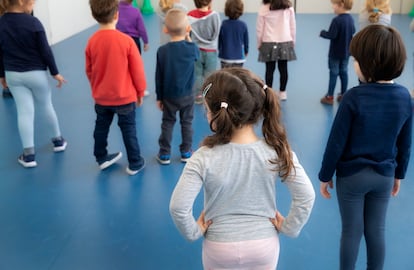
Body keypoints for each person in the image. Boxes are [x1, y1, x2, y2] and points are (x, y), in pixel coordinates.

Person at [170, 68, 315, 269]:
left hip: (219, 246)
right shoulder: (277, 151)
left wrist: (194, 231)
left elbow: (178, 207)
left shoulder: (202, 157)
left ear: (214, 113)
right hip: (263, 246)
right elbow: (306, 195)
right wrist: (290, 227)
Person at [319, 25, 412, 270]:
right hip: (384, 174)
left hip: (352, 177)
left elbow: (336, 142)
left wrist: (325, 175)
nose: (354, 64)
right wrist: (399, 173)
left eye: (356, 60)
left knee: (351, 232)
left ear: (368, 64)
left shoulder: (353, 98)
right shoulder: (405, 97)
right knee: (376, 230)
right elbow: (405, 141)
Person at [0, 0, 67, 168]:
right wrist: (55, 72)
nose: (35, 3)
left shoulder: (1, 23)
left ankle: (29, 155)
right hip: (36, 74)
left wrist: (2, 75)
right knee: (46, 106)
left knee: (24, 112)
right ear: (22, 2)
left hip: (13, 75)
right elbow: (45, 51)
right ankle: (58, 141)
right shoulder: (34, 22)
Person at [86, 0, 147, 175]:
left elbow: (89, 70)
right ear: (116, 15)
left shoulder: (91, 42)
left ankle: (101, 157)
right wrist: (140, 92)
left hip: (101, 98)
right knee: (129, 129)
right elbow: (137, 71)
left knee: (101, 127)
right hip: (125, 98)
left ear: (94, 16)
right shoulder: (126, 41)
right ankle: (135, 162)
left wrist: (96, 87)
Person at [155, 8, 199, 165]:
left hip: (168, 96)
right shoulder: (192, 48)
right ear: (188, 29)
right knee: (186, 122)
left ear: (165, 29)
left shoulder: (162, 51)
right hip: (187, 95)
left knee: (167, 122)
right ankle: (186, 151)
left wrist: (159, 97)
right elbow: (197, 55)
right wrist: (188, 37)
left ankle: (164, 153)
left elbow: (158, 77)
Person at [256, 0, 296, 101]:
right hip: (285, 41)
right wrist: (293, 40)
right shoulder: (288, 8)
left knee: (269, 70)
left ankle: (269, 93)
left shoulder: (264, 8)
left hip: (268, 42)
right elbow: (292, 26)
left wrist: (259, 43)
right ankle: (283, 92)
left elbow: (259, 29)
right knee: (284, 69)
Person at [320, 0, 355, 105]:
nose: (332, 7)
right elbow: (352, 32)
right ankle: (344, 94)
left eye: (334, 5)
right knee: (344, 72)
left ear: (341, 5)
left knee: (333, 73)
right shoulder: (351, 19)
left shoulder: (336, 20)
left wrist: (323, 33)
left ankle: (329, 96)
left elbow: (332, 35)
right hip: (346, 52)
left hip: (335, 53)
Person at [187, 0, 220, 104]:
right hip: (211, 51)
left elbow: (187, 33)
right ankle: (209, 96)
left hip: (196, 50)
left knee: (197, 74)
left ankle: (198, 96)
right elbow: (217, 32)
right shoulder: (215, 15)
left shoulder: (190, 15)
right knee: (210, 75)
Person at [116, 0, 150, 97]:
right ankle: (140, 90)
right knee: (136, 66)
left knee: (122, 65)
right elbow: (141, 28)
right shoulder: (135, 11)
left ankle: (123, 89)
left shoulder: (115, 10)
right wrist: (146, 41)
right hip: (133, 42)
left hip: (119, 40)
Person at [218, 0, 249, 69]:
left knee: (225, 77)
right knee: (237, 78)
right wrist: (246, 51)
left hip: (225, 57)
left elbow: (220, 40)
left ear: (226, 10)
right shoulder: (243, 25)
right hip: (239, 58)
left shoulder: (223, 24)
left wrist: (219, 49)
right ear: (241, 10)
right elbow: (246, 42)